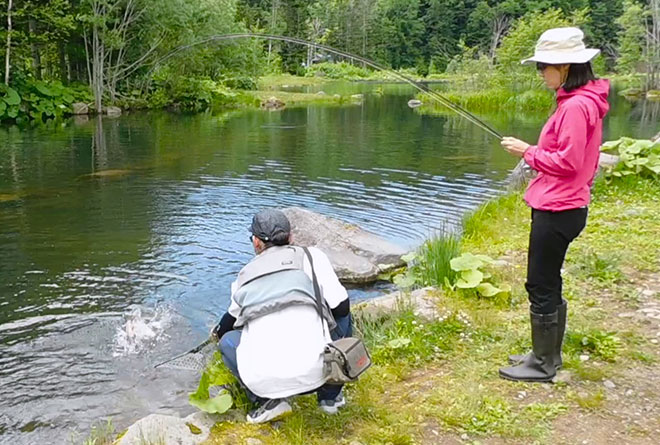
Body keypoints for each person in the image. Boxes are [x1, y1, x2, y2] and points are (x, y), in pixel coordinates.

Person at [498, 27, 610, 382]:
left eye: (543, 66)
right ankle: (545, 354)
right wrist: (535, 152)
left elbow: (569, 162)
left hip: (559, 208)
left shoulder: (577, 106)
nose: (540, 72)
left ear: (564, 67)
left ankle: (544, 364)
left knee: (540, 283)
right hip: (565, 203)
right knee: (548, 280)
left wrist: (527, 152)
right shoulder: (581, 101)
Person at [210, 209, 353, 423]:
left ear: (256, 242)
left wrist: (218, 333)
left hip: (265, 381)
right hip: (318, 375)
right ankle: (330, 398)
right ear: (291, 237)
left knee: (229, 342)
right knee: (344, 313)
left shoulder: (244, 277)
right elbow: (341, 309)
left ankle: (268, 402)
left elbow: (227, 325)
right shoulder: (313, 258)